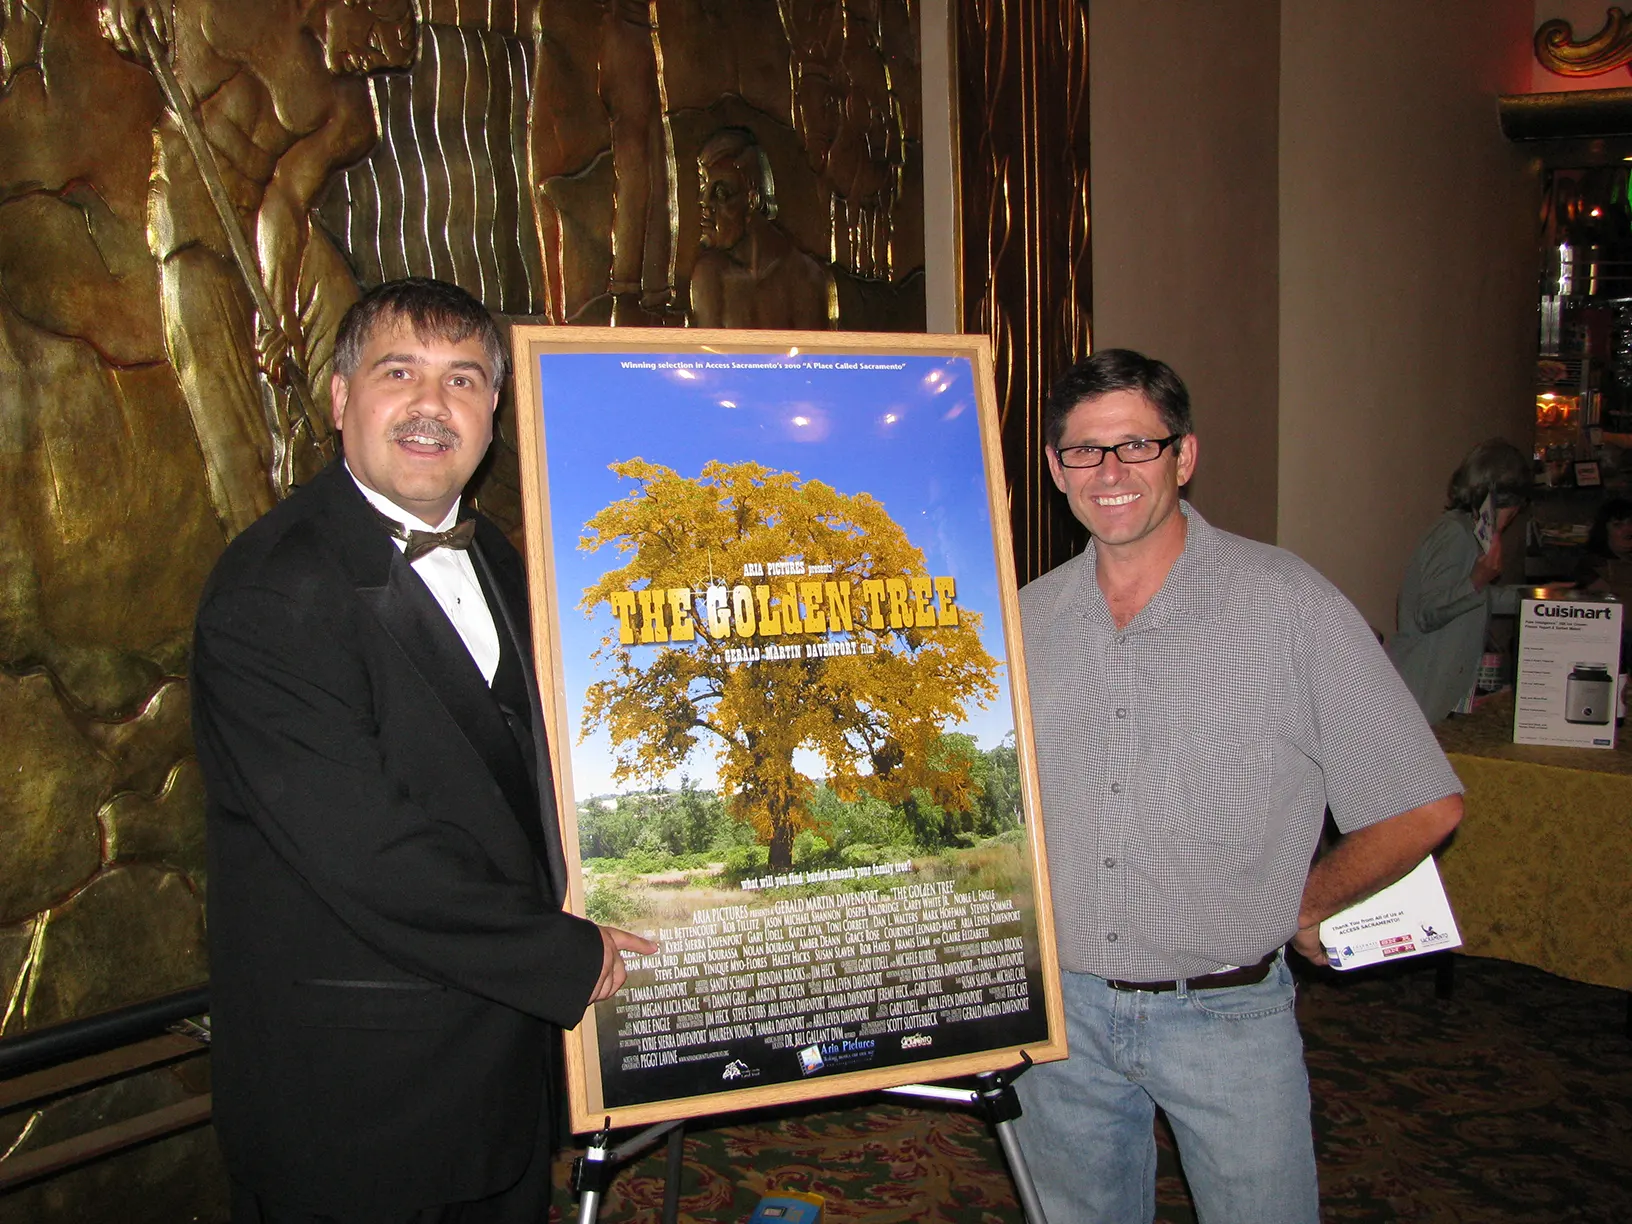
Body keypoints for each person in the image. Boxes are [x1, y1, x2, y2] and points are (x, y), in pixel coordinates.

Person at [191, 278, 657, 1223]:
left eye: (464, 379)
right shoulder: (271, 592)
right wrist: (566, 958)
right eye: (399, 371)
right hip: (361, 1100)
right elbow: (366, 853)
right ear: (338, 397)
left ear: (493, 411)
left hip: (500, 1077)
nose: (431, 406)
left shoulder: (506, 562)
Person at [1012, 349, 1463, 1224]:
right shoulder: (1025, 618)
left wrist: (1305, 904)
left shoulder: (1287, 603)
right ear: (1055, 469)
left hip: (1224, 1018)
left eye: (1136, 446)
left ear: (1184, 458)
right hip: (1061, 1021)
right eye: (1084, 451)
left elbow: (1424, 801)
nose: (1110, 473)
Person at [100, 0, 417, 535]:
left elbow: (286, 200)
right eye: (373, 41)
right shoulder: (237, 14)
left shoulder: (353, 116)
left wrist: (283, 315)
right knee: (234, 436)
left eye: (381, 61)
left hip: (278, 232)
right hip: (197, 218)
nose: (368, 65)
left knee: (357, 361)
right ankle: (260, 571)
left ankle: (369, 531)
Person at [1386, 439, 1530, 724]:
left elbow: (1479, 598)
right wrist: (1477, 580)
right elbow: (1428, 612)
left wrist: (1537, 597)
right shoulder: (1455, 534)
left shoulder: (1470, 532)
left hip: (1436, 688)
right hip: (1422, 684)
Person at [689, 126, 835, 330]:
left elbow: (813, 360)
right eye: (703, 188)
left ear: (752, 200)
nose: (704, 204)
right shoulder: (708, 275)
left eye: (721, 193)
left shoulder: (806, 279)